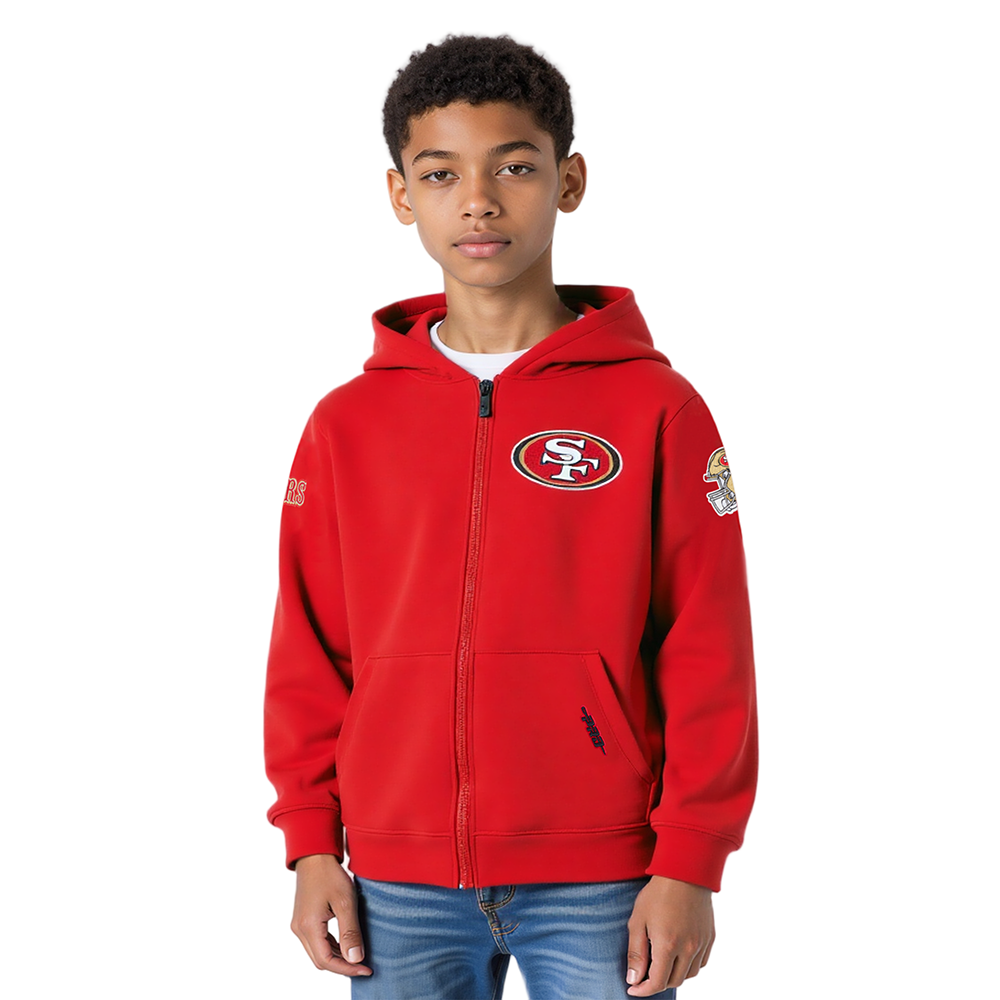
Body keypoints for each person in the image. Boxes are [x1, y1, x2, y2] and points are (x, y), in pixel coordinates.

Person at [263, 33, 758, 999]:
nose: (479, 200)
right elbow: (309, 647)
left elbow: (708, 641)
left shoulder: (655, 409)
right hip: (396, 877)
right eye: (440, 173)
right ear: (401, 195)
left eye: (515, 167)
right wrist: (311, 843)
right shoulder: (346, 423)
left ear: (569, 181)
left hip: (604, 873)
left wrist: (691, 859)